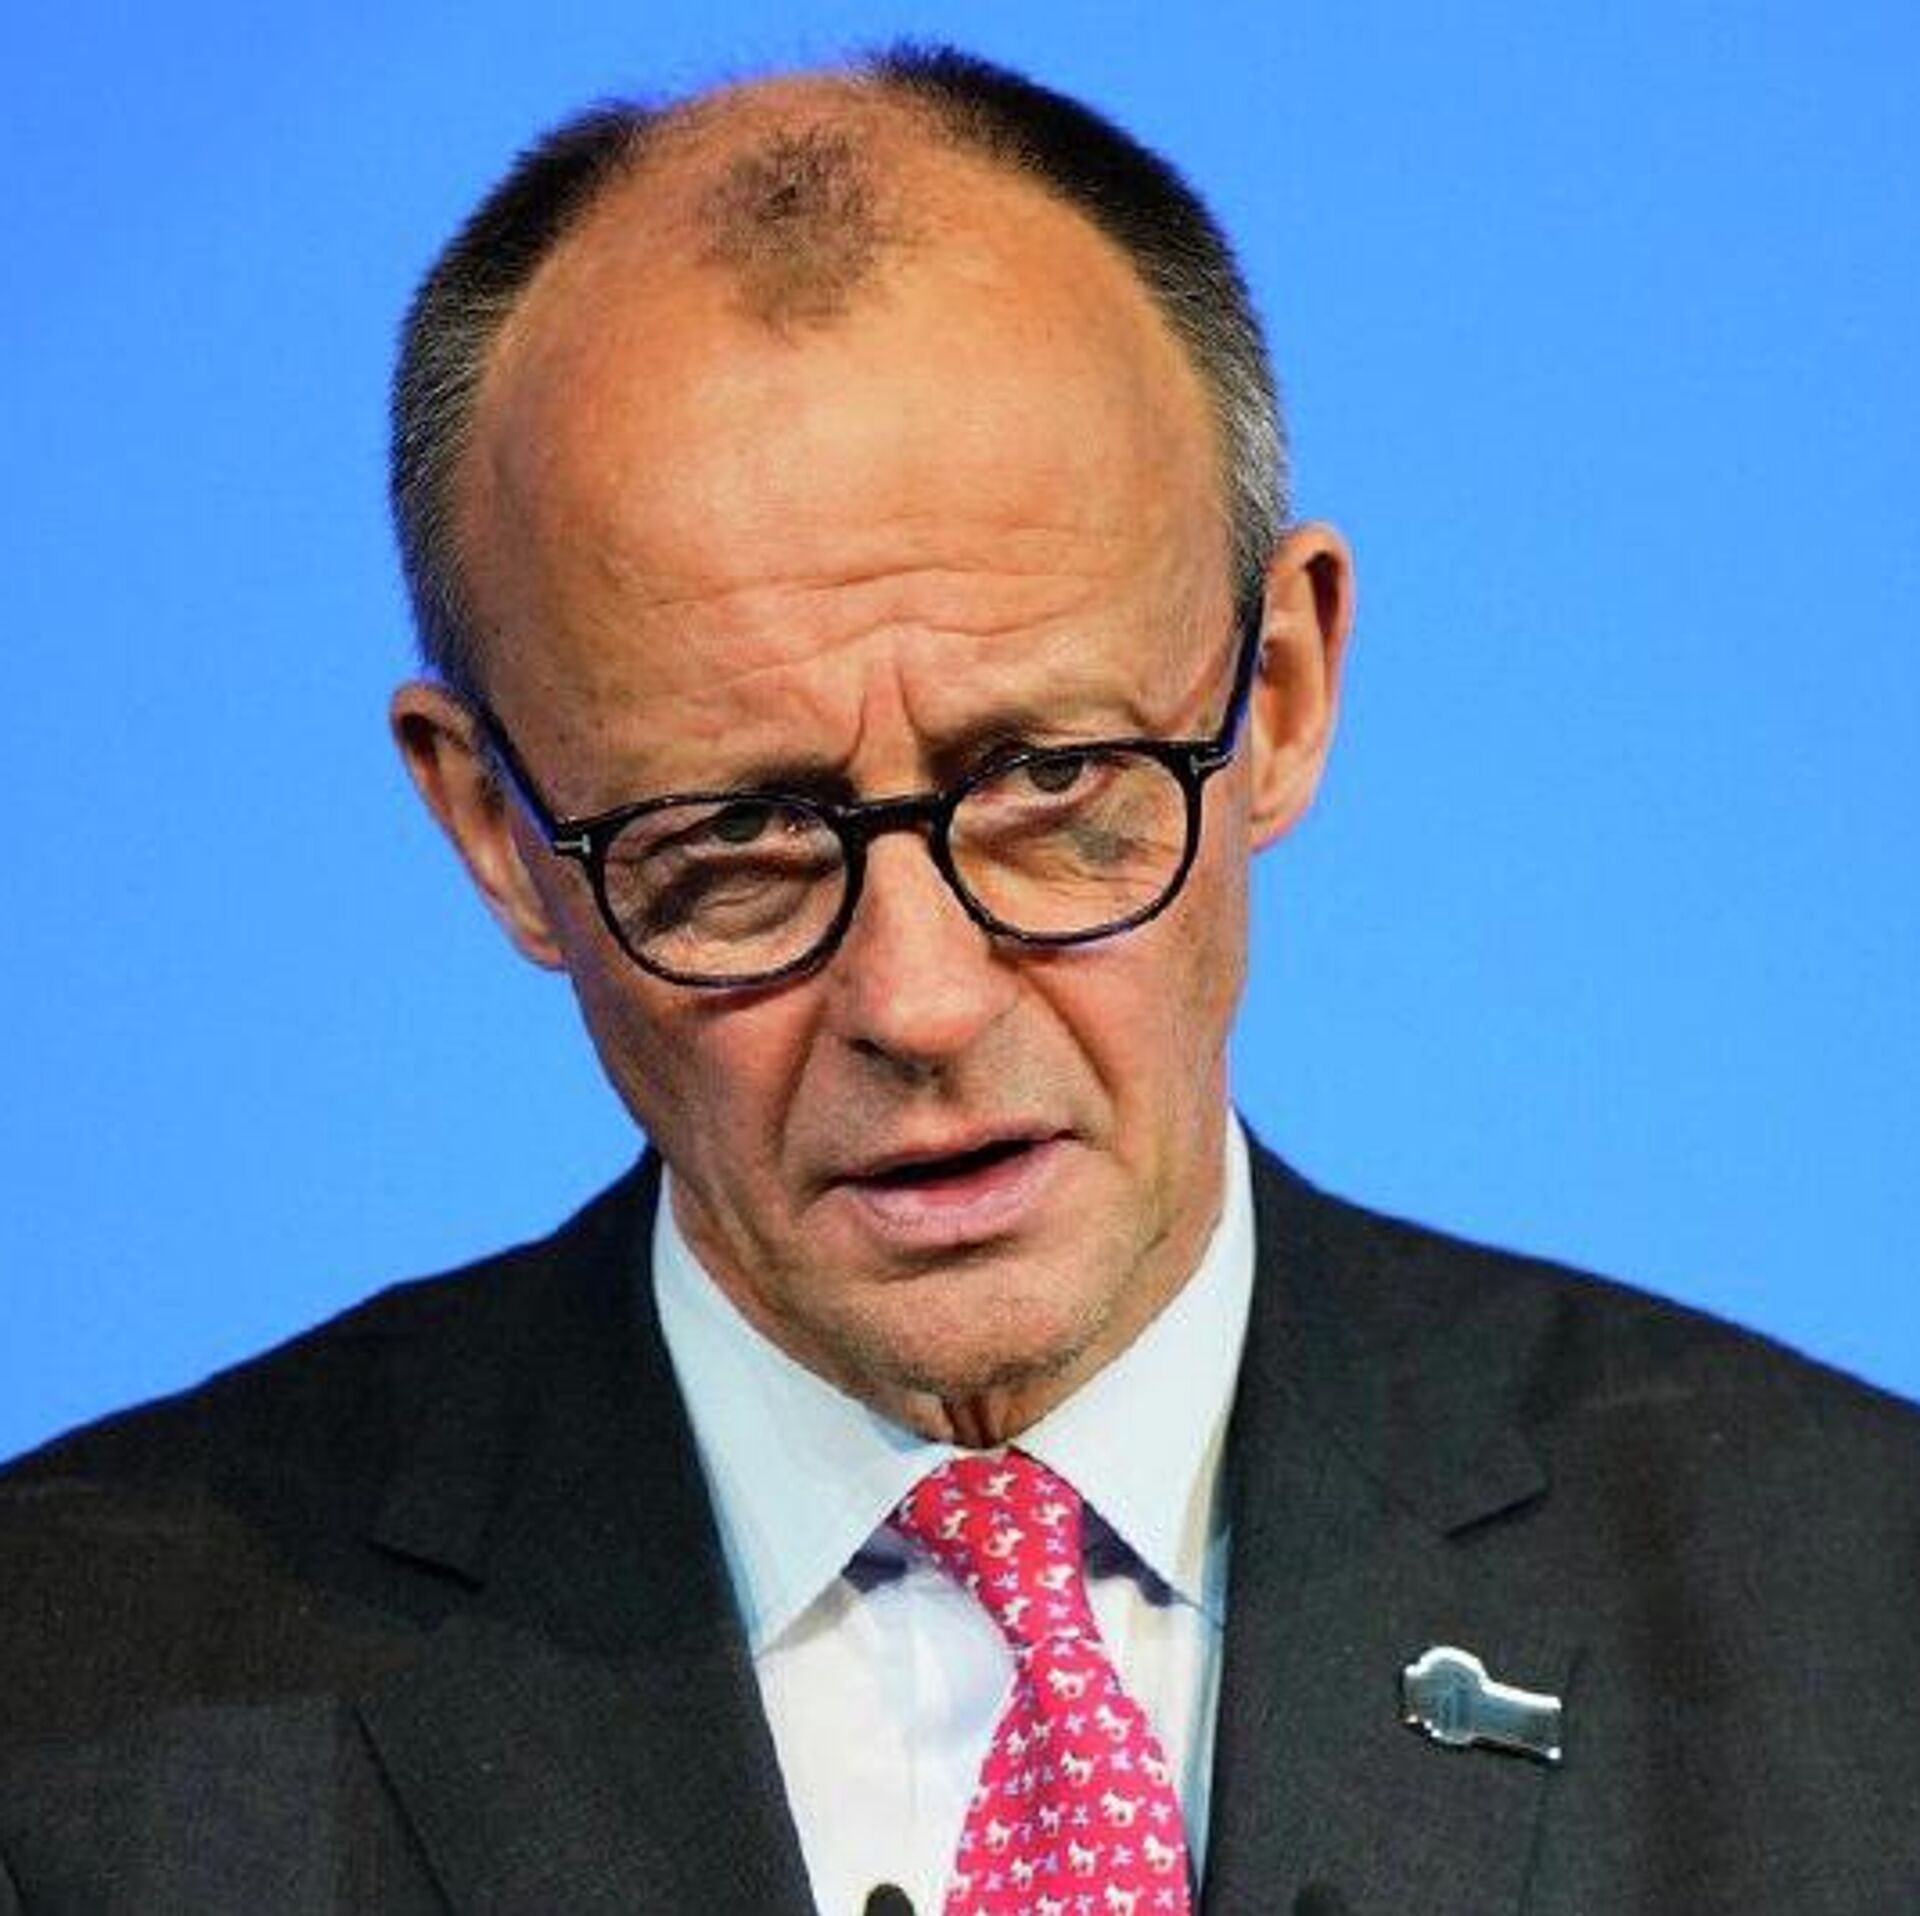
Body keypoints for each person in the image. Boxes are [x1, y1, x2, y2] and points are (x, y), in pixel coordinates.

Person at [2, 44, 1916, 1916]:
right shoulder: (66, 1723)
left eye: (1053, 785)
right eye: (734, 841)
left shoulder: (1861, 1620)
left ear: (1276, 695)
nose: (919, 1003)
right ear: (495, 828)